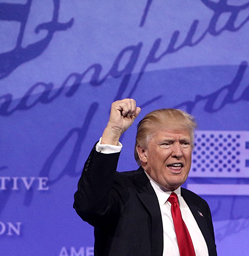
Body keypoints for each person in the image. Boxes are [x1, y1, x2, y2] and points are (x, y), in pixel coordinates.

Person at [74, 98, 217, 256]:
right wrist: (113, 131)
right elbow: (90, 207)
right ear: (143, 153)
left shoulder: (198, 206)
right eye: (166, 143)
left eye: (185, 143)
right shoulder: (122, 192)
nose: (178, 152)